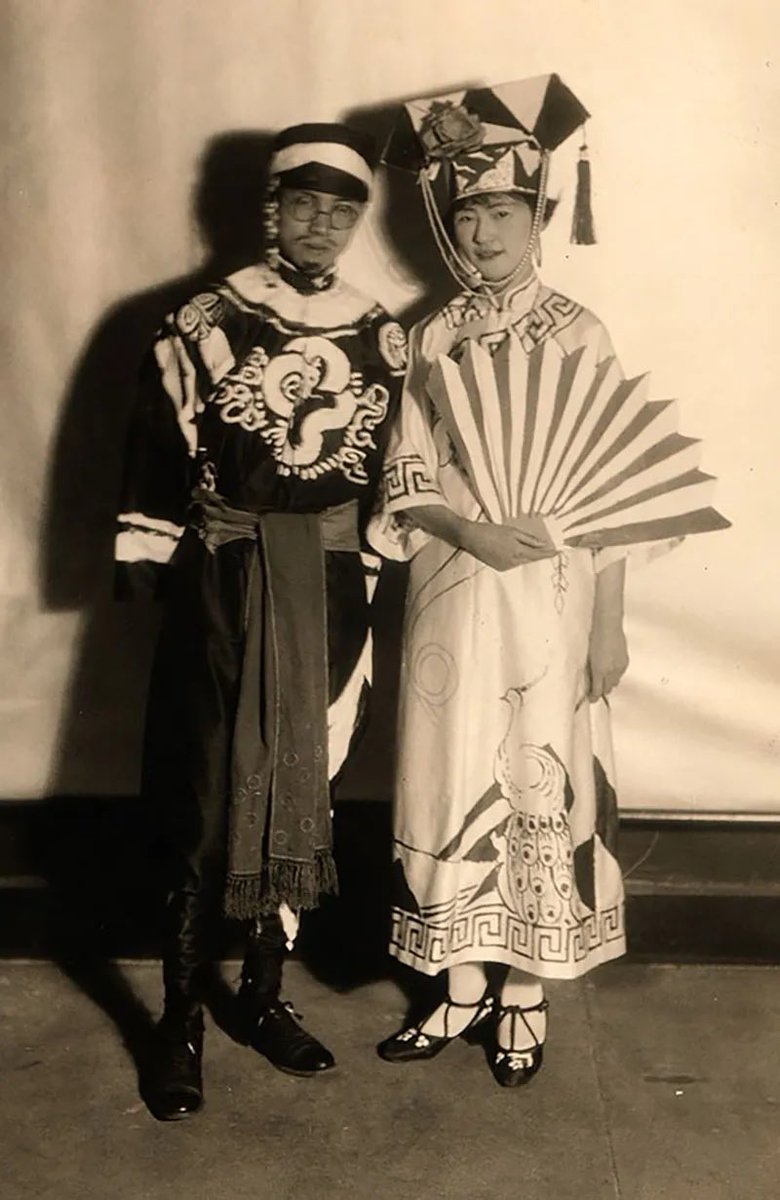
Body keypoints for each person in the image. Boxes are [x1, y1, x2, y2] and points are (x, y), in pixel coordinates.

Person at [116, 123, 406, 1119]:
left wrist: (366, 563)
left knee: (301, 780)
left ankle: (265, 993)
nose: (322, 227)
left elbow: (387, 475)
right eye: (305, 207)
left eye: (342, 211)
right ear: (269, 210)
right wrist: (162, 562)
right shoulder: (208, 320)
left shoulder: (381, 333)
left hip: (326, 586)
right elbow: (158, 454)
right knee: (204, 791)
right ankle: (179, 1020)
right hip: (226, 579)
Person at [367, 75, 649, 1088]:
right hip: (452, 584)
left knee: (539, 767)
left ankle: (524, 991)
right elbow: (405, 466)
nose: (483, 230)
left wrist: (608, 627)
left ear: (540, 216)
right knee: (447, 769)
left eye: (502, 209)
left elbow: (614, 494)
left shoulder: (580, 331)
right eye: (467, 209)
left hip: (550, 598)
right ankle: (458, 984)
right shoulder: (432, 336)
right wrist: (459, 529)